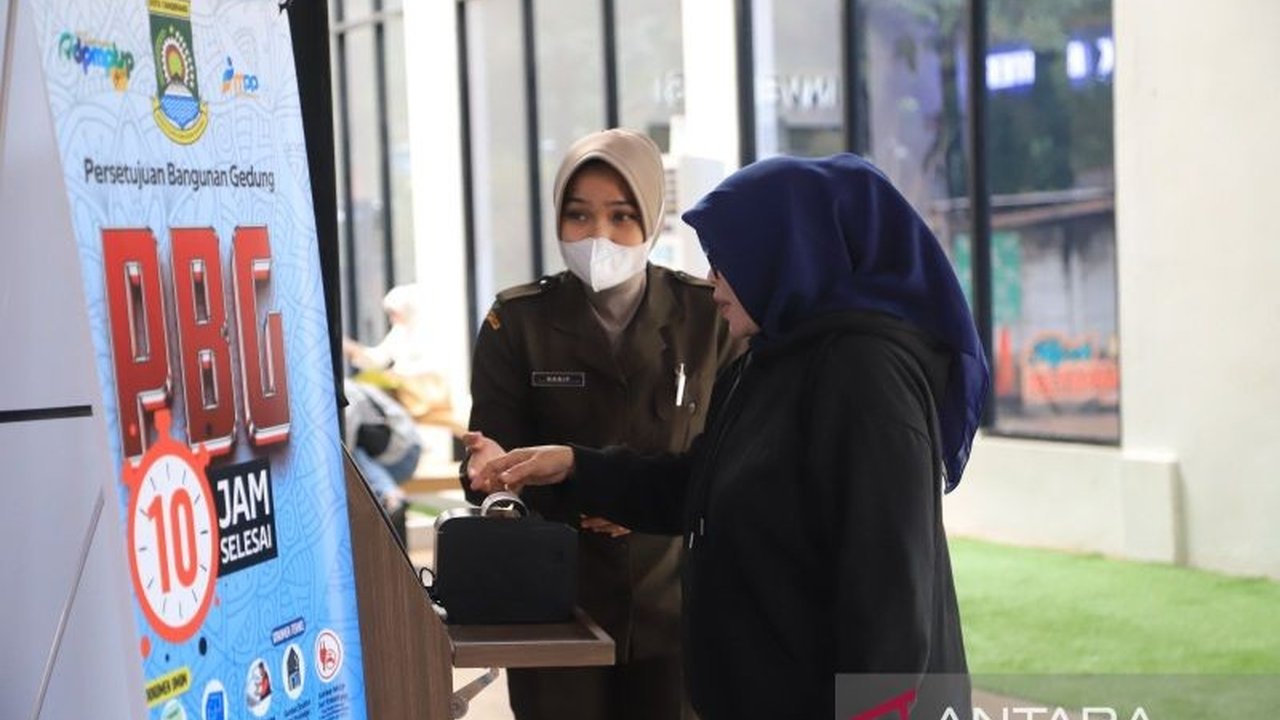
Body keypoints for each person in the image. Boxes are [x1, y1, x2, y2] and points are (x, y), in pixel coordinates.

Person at [466, 153, 990, 718]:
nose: (713, 283)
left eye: (726, 261)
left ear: (784, 256)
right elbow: (698, 483)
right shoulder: (770, 361)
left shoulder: (866, 378)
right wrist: (575, 465)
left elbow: (889, 599)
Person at [463, 128, 742, 720]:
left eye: (621, 217)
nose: (598, 237)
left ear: (652, 218)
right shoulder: (516, 322)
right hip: (557, 605)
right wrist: (486, 470)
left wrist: (640, 499)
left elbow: (737, 463)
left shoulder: (706, 314)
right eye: (579, 216)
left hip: (678, 602)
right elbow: (490, 459)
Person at [343, 284, 460, 434]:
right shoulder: (400, 331)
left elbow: (435, 365)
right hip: (407, 394)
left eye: (394, 314)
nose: (392, 319)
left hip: (425, 395)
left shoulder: (430, 329)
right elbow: (377, 358)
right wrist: (350, 349)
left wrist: (399, 374)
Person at [344, 377, 423, 540]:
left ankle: (391, 496)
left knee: (353, 455)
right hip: (398, 453)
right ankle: (390, 498)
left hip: (404, 456)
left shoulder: (348, 394)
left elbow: (347, 451)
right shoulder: (350, 386)